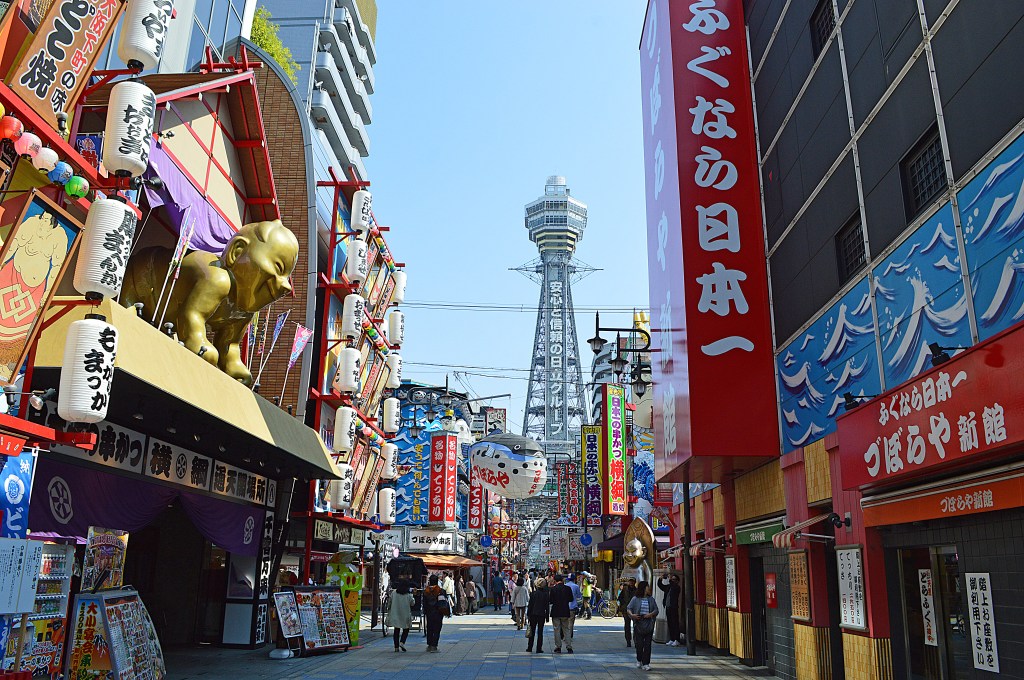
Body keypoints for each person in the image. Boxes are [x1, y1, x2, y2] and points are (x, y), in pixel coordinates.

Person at [627, 580, 659, 671]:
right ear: (644, 588)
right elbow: (629, 608)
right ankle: (639, 659)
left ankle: (646, 663)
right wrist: (632, 615)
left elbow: (656, 610)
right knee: (639, 644)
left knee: (648, 645)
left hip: (649, 624)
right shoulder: (635, 599)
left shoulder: (651, 599)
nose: (649, 588)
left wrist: (651, 614)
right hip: (639, 623)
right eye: (647, 587)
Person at [548, 574, 574, 654]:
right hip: (565, 611)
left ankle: (558, 647)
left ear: (555, 581)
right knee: (566, 629)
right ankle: (569, 647)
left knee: (557, 629)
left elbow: (551, 601)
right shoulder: (568, 588)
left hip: (556, 611)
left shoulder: (553, 589)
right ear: (562, 580)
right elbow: (571, 599)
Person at [386, 581, 414, 652]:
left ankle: (396, 647)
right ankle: (402, 642)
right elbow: (412, 603)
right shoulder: (408, 594)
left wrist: (388, 608)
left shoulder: (394, 593)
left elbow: (389, 602)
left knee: (396, 630)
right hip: (405, 614)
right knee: (406, 629)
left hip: (396, 614)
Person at [422, 575, 447, 652]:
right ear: (437, 581)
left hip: (429, 613)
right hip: (438, 613)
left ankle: (429, 645)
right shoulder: (441, 591)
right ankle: (434, 645)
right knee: (437, 629)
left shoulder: (426, 591)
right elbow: (443, 603)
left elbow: (424, 603)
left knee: (429, 628)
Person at [526, 577, 550, 653]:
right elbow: (547, 606)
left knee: (532, 631)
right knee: (540, 632)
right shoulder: (546, 595)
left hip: (533, 614)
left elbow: (530, 605)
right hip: (541, 615)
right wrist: (547, 617)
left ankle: (530, 647)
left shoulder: (533, 594)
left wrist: (528, 615)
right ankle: (539, 648)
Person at [658, 573, 682, 646]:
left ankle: (677, 639)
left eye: (674, 579)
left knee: (675, 624)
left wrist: (669, 579)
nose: (672, 580)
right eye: (672, 579)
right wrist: (660, 579)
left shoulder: (677, 587)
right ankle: (672, 639)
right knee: (670, 624)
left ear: (677, 581)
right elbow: (661, 586)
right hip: (668, 607)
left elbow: (673, 585)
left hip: (673, 607)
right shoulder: (668, 587)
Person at [618, 577, 637, 647]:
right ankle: (628, 641)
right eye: (630, 581)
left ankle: (636, 641)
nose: (631, 583)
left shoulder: (637, 591)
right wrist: (623, 604)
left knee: (636, 626)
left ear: (635, 582)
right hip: (626, 610)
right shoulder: (625, 589)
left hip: (634, 611)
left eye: (632, 581)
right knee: (627, 626)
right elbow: (620, 597)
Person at [565, 573, 583, 639]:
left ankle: (565, 635)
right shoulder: (576, 586)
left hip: (565, 607)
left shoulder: (565, 585)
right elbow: (579, 596)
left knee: (565, 622)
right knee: (571, 623)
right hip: (573, 607)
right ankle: (569, 636)